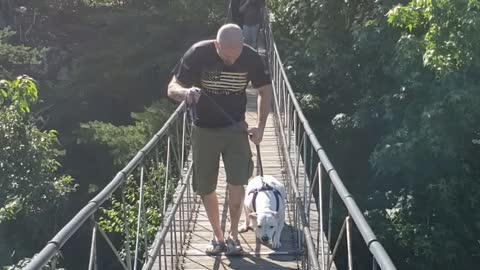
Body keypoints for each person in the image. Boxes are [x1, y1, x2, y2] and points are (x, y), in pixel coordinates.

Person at [167, 23, 272, 255]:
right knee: (205, 186)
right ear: (216, 45)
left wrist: (261, 127)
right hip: (204, 130)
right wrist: (185, 93)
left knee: (238, 181)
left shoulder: (251, 57)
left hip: (236, 129)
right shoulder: (197, 53)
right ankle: (218, 236)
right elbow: (172, 88)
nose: (231, 61)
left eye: (235, 56)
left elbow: (265, 90)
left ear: (242, 47)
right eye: (226, 56)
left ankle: (234, 235)